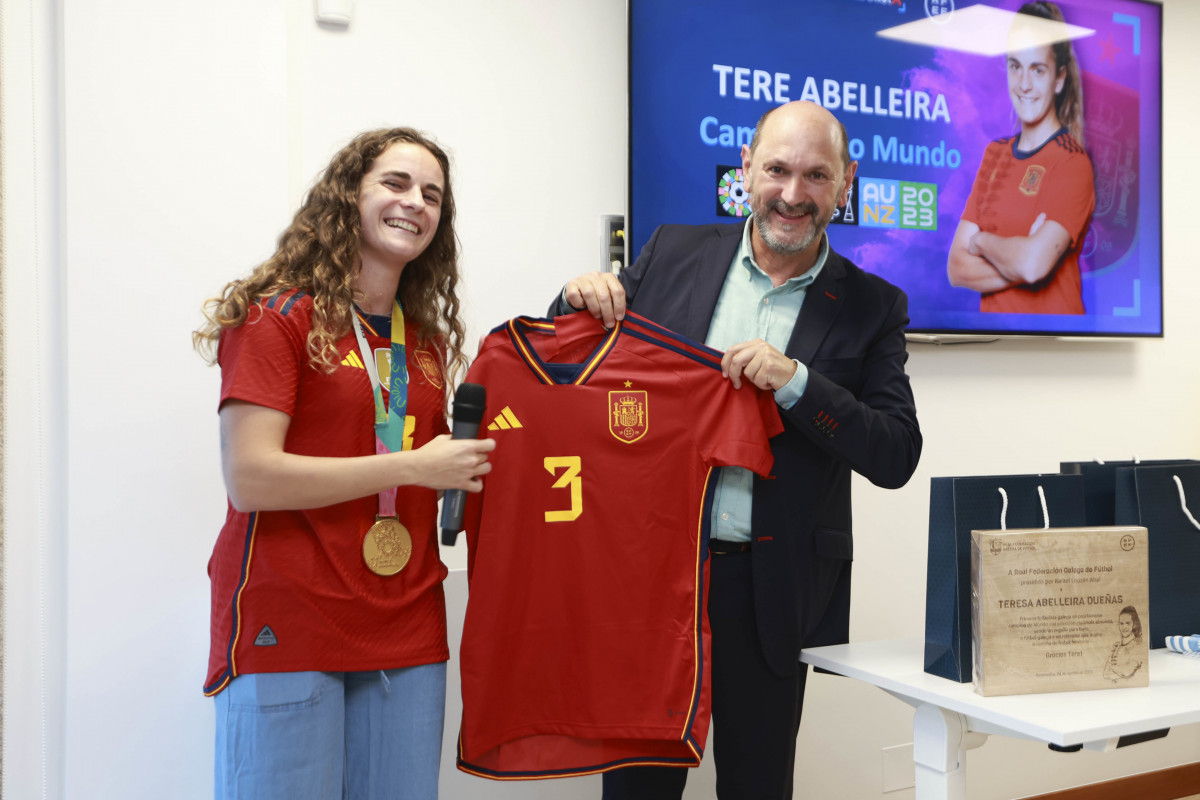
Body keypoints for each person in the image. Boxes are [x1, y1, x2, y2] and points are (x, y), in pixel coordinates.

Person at [554, 100, 922, 799]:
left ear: (845, 184)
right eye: (777, 170)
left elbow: (896, 453)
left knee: (757, 786)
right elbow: (573, 357)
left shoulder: (874, 305)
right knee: (637, 789)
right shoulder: (671, 252)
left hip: (771, 588)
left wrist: (797, 383)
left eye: (816, 176)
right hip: (654, 582)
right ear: (745, 170)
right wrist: (577, 294)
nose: (792, 194)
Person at [193, 127, 495, 800]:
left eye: (432, 195)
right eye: (394, 183)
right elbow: (252, 478)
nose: (415, 202)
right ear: (347, 197)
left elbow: (447, 471)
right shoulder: (275, 318)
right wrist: (411, 469)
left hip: (407, 626)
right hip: (289, 618)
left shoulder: (424, 342)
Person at [947, 0, 1095, 315]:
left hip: (1058, 348)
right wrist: (1024, 255)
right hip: (989, 348)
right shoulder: (995, 153)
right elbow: (957, 268)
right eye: (1015, 66)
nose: (1024, 85)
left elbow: (1031, 265)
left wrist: (983, 242)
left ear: (1059, 78)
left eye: (1037, 69)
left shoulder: (1072, 162)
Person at [1103, 605, 1145, 683]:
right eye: (1121, 623)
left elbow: (1127, 672)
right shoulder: (1116, 646)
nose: (1124, 627)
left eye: (1127, 623)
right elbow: (1105, 674)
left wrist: (1113, 668)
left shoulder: (1138, 646)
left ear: (1134, 624)